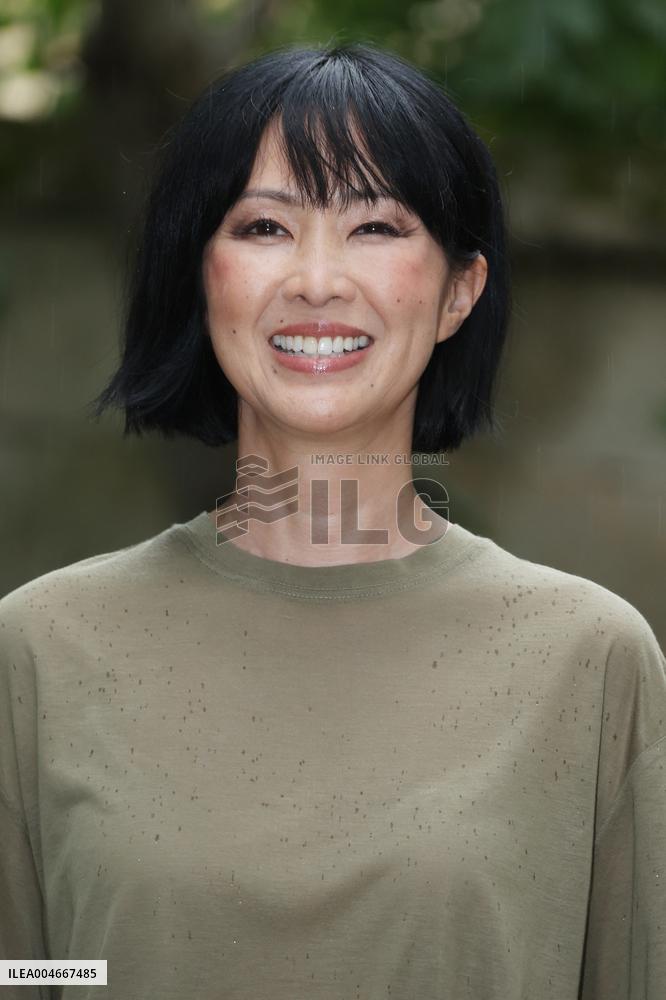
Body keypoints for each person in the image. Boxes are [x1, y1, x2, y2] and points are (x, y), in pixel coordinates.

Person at [0, 41, 664, 1000]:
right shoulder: (40, 650)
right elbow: (30, 969)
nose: (316, 279)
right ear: (201, 274)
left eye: (377, 227)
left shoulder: (590, 661)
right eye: (265, 226)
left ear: (460, 292)